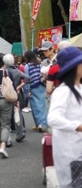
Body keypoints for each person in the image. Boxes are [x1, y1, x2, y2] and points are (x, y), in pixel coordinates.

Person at [47, 46, 82, 188]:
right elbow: (53, 118)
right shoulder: (63, 91)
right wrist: (78, 126)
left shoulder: (78, 88)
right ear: (74, 67)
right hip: (70, 153)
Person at [3, 54, 30, 144]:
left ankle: (8, 139)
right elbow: (27, 79)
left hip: (5, 96)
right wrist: (19, 87)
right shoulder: (17, 71)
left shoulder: (3, 71)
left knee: (6, 117)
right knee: (18, 114)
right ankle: (20, 134)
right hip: (17, 95)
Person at [24, 50, 47, 132]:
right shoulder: (40, 64)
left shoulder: (27, 66)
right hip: (41, 86)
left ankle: (38, 124)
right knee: (42, 106)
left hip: (33, 87)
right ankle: (43, 123)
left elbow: (27, 79)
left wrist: (27, 90)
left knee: (35, 106)